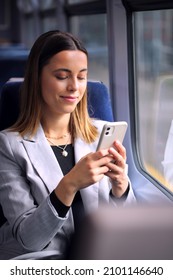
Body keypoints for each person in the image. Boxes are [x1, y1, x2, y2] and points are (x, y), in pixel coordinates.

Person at [0, 30, 136, 260]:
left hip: (99, 256)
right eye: (62, 76)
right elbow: (29, 239)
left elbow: (130, 229)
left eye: (81, 77)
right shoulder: (9, 145)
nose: (75, 87)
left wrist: (121, 189)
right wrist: (70, 183)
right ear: (37, 78)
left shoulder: (101, 133)